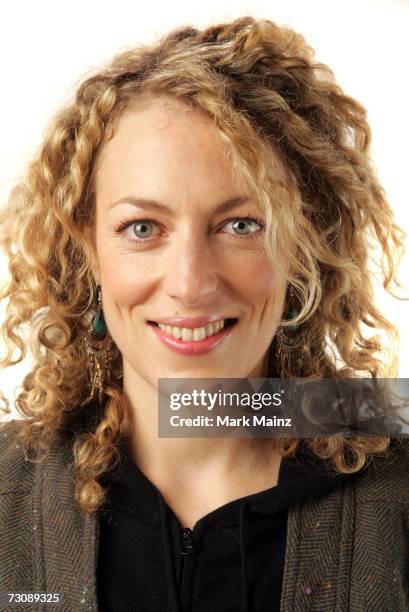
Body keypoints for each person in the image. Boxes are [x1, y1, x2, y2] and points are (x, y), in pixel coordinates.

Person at [0, 15, 408, 612]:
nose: (190, 284)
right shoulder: (10, 487)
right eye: (142, 228)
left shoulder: (389, 471)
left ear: (306, 243)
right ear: (87, 249)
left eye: (242, 225)